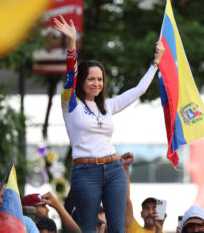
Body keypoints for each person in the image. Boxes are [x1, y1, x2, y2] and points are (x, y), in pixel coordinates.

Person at [53, 15, 164, 232]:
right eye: (91, 79)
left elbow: (139, 90)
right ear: (82, 81)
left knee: (117, 229)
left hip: (114, 169)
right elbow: (69, 74)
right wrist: (72, 43)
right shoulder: (70, 104)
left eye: (100, 79)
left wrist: (156, 62)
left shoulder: (108, 106)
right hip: (86, 172)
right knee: (87, 228)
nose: (96, 83)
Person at [121, 152, 166, 232]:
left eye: (154, 208)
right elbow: (126, 202)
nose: (150, 212)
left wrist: (159, 229)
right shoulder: (134, 229)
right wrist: (126, 167)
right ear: (141, 213)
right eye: (146, 208)